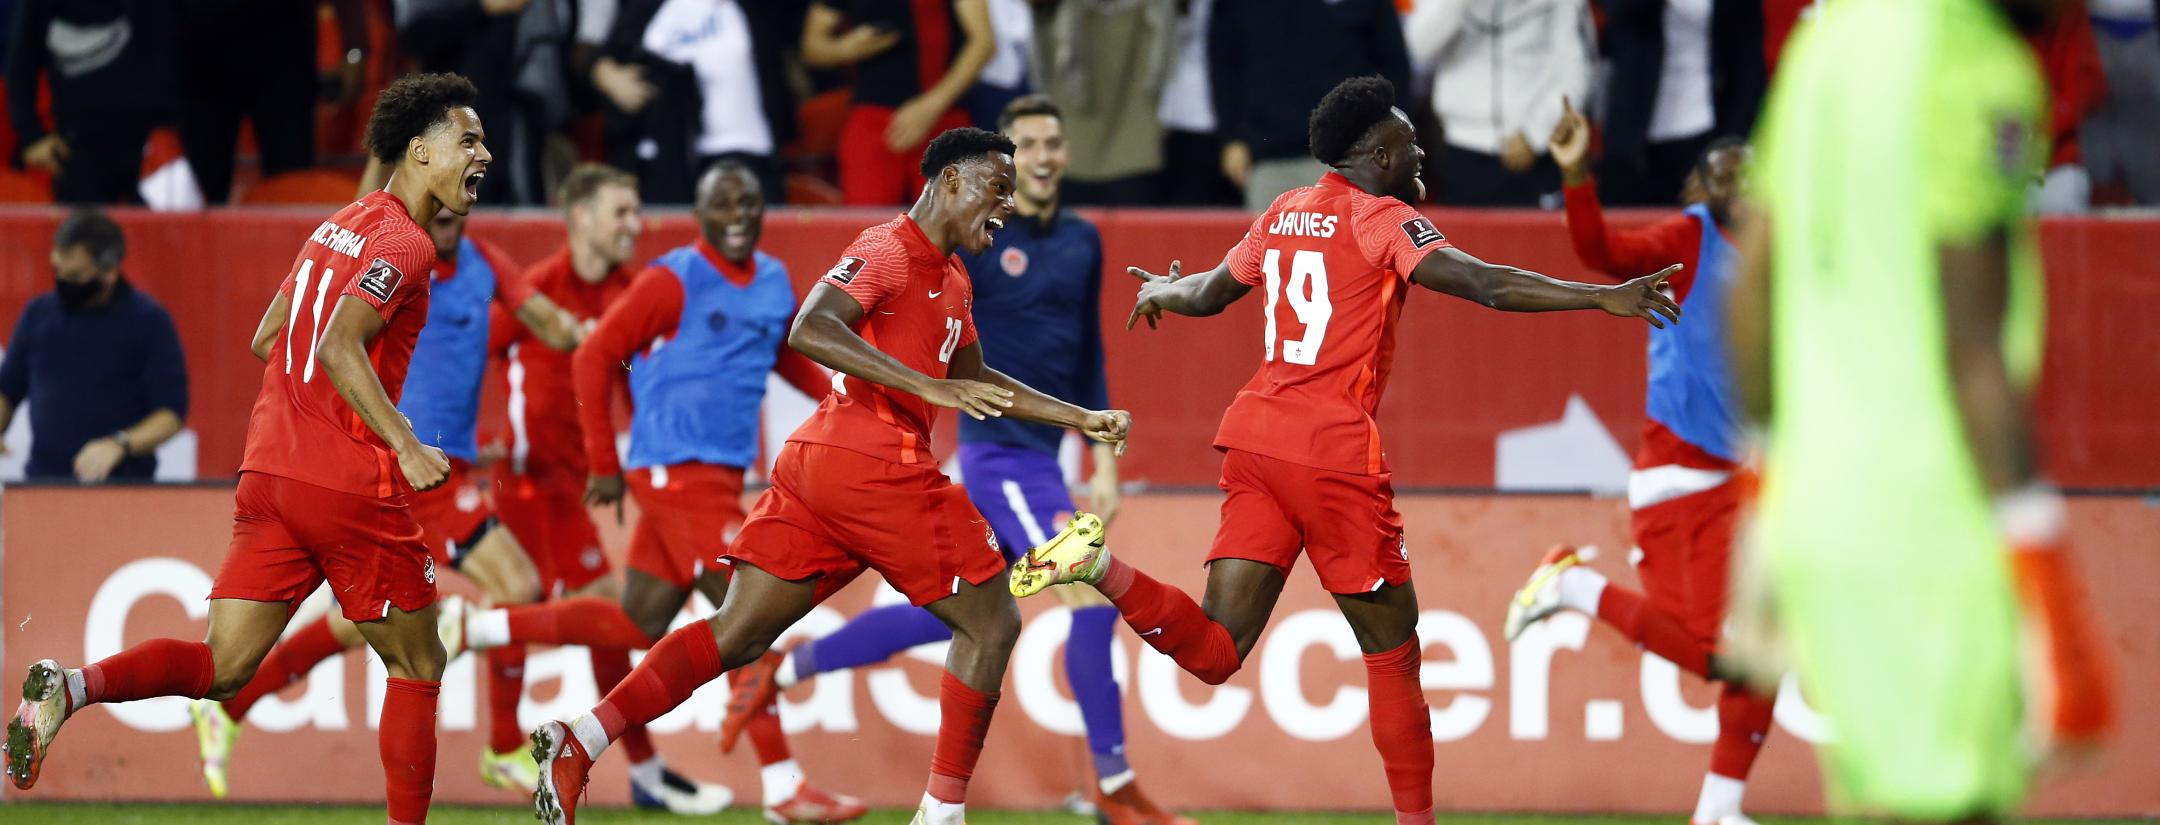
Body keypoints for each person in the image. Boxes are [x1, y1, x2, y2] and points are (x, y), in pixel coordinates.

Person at [1009, 75, 1679, 825]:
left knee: (1216, 650)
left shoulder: (1283, 211)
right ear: (1374, 152)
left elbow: (1210, 293)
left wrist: (1166, 291)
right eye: (1408, 140)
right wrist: (1599, 296)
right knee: (1394, 650)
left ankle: (1096, 564)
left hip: (1255, 440)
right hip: (1329, 453)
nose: (1420, 149)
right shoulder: (1382, 218)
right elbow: (1485, 283)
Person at [525, 127, 1130, 825]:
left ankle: (582, 738)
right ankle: (941, 815)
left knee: (737, 632)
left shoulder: (955, 279)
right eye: (998, 189)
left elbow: (974, 380)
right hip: (874, 464)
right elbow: (811, 327)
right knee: (993, 620)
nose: (1007, 206)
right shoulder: (886, 248)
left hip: (824, 470)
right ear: (953, 181)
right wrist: (920, 388)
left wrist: (1078, 417)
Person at [5, 73, 490, 825]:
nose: (484, 153)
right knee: (420, 661)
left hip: (268, 472)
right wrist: (402, 440)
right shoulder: (409, 242)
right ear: (420, 149)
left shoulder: (342, 222)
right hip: (344, 480)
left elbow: (269, 337)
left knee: (224, 667)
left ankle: (73, 686)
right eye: (469, 139)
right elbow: (338, 345)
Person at [725, 96, 1189, 825]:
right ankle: (1112, 785)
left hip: (1043, 450)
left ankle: (787, 665)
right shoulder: (971, 239)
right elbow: (931, 333)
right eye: (1026, 144)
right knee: (1085, 594)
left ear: (1064, 155)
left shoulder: (1082, 240)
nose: (1040, 156)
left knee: (962, 613)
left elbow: (1086, 350)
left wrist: (1094, 444)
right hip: (999, 454)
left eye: (1051, 143)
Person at [1721, 0, 2115, 821]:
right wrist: (2051, 590)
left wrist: (1766, 502)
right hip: (1934, 527)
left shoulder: (1828, 44)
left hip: (1824, 520)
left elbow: (1751, 286)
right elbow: (1971, 346)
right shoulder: (1980, 67)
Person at [454, 160, 868, 823]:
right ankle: (784, 785)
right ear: (699, 215)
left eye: (748, 203)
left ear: (764, 211)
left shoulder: (770, 282)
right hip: (672, 471)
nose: (736, 215)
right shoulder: (669, 278)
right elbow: (593, 356)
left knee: (637, 620)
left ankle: (482, 627)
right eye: (721, 204)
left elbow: (784, 354)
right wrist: (604, 463)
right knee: (746, 617)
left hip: (718, 474)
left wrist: (846, 398)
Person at [183, 205, 586, 800]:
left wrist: (604, 333)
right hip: (404, 461)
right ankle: (502, 747)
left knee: (359, 627)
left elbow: (550, 326)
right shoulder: (391, 253)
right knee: (511, 587)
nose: (447, 218)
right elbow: (304, 340)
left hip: (445, 462)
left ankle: (232, 704)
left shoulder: (484, 265)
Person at [1499, 98, 1771, 825]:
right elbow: (1604, 257)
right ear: (1705, 189)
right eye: (1724, 176)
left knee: (1769, 641)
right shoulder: (1692, 237)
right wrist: (1577, 170)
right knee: (1724, 655)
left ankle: (1719, 809)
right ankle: (1577, 587)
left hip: (1744, 479)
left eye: (1751, 173)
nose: (1740, 186)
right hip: (1682, 478)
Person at [0, 209, 188, 483]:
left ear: (109, 273)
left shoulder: (148, 320)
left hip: (122, 489)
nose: (64, 282)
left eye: (76, 276)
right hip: (43, 485)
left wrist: (119, 444)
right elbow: (7, 391)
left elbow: (171, 413)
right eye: (58, 271)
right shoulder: (37, 313)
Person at [1209, 0, 1410, 209]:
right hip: (1269, 156)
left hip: (1349, 156)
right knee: (1274, 239)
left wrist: (1389, 139)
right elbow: (1225, 62)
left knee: (1353, 238)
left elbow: (1392, 64)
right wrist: (1231, 138)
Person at [803, 0, 995, 205]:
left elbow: (982, 43)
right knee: (867, 223)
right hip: (874, 119)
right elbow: (812, 46)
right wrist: (845, 48)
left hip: (945, 117)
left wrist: (931, 106)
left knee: (949, 225)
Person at [1403, 0, 1594, 206]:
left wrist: (1536, 133)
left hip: (1535, 155)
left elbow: (1576, 70)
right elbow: (1417, 48)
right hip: (1461, 149)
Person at [4, 0, 177, 203]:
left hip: (159, 137)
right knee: (85, 229)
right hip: (81, 144)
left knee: (166, 228)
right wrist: (31, 134)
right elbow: (21, 61)